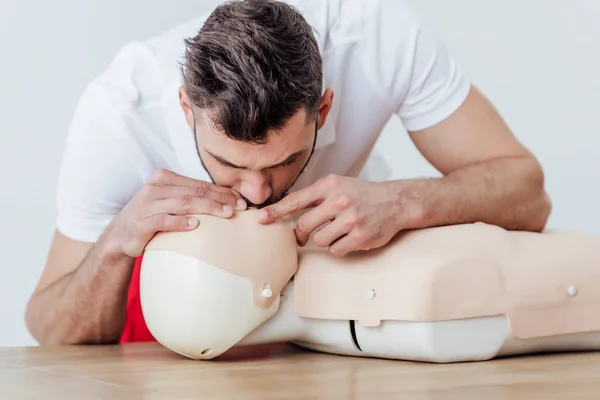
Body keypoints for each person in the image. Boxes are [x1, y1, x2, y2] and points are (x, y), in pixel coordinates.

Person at [25, 0, 551, 346]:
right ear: (186, 108)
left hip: (336, 303)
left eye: (284, 161)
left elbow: (530, 194)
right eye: (229, 164)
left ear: (323, 110)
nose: (257, 191)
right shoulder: (119, 114)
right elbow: (50, 329)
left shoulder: (380, 44)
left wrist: (401, 201)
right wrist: (118, 241)